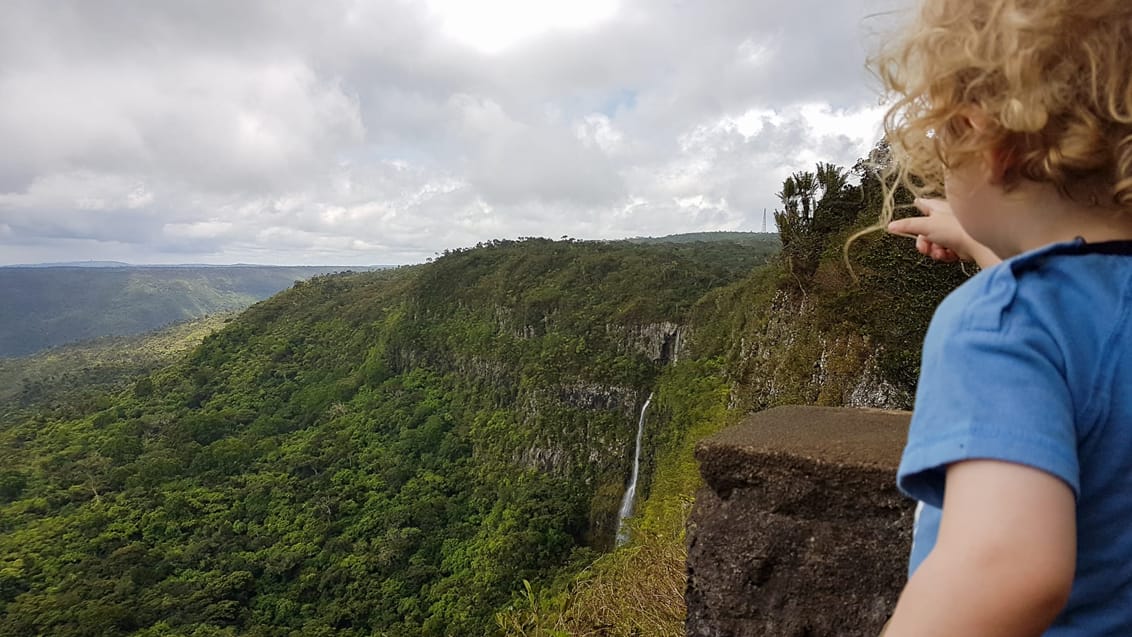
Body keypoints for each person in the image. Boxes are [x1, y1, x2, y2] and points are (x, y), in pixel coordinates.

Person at [872, 0, 1132, 634]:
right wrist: (982, 244)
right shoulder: (1056, 311)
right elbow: (1085, 317)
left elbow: (1003, 566)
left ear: (987, 141)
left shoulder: (996, 321)